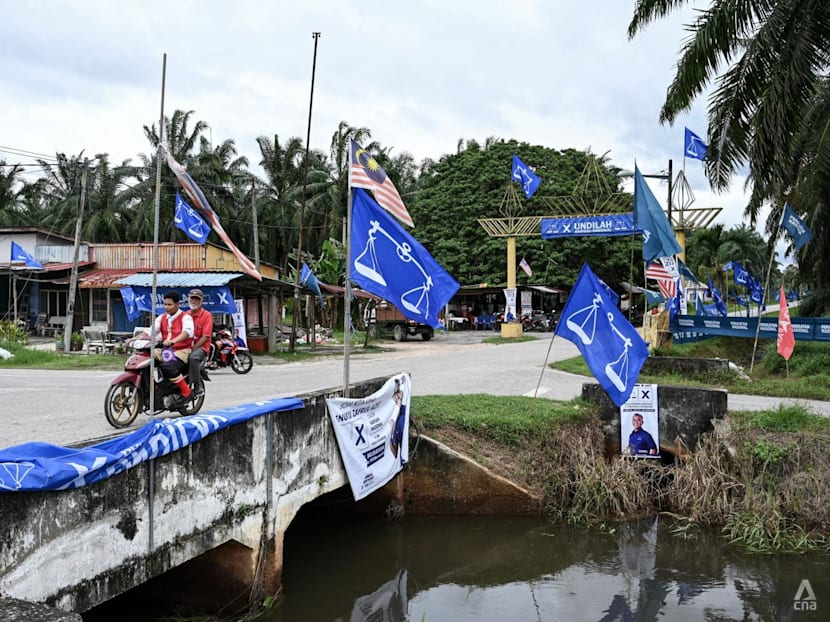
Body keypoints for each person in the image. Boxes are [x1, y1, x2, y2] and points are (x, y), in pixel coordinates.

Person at [131, 290, 194, 400]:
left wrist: (173, 341)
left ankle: (186, 391)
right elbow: (150, 331)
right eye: (165, 304)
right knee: (143, 360)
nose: (166, 307)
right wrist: (133, 339)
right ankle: (150, 390)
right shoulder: (161, 318)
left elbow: (187, 332)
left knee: (167, 366)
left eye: (170, 304)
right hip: (165, 350)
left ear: (177, 304)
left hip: (181, 350)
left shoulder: (186, 317)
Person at [186, 289, 213, 397]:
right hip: (185, 346)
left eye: (197, 299)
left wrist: (193, 348)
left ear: (201, 301)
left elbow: (206, 337)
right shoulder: (185, 315)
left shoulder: (207, 315)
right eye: (192, 298)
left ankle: (197, 387)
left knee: (193, 357)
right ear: (188, 299)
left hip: (201, 348)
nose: (194, 301)